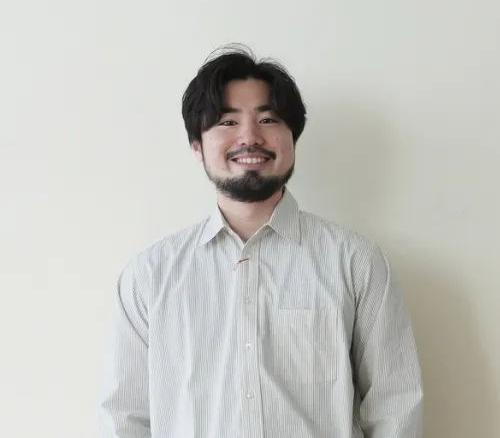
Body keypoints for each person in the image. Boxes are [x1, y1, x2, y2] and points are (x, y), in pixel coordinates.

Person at [97, 46, 424, 438]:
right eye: (227, 121)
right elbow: (124, 417)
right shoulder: (150, 275)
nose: (249, 137)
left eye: (267, 119)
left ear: (293, 139)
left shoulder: (355, 261)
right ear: (197, 146)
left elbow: (395, 405)